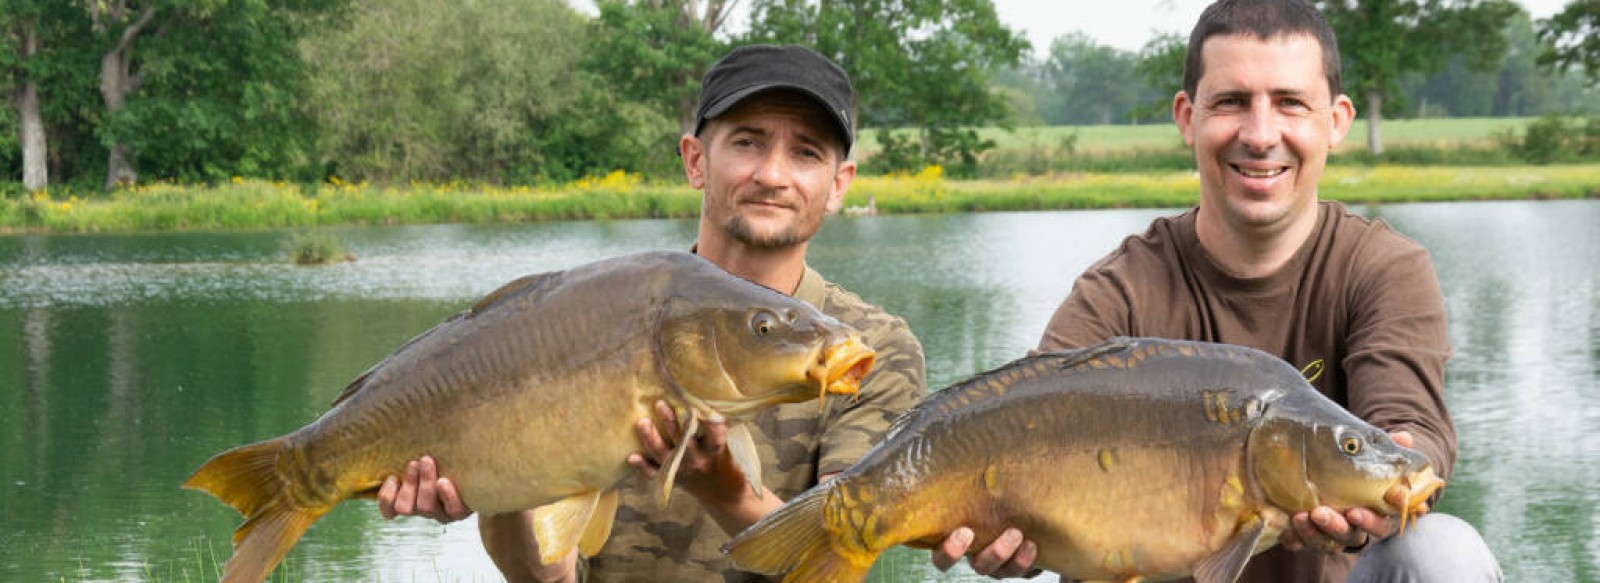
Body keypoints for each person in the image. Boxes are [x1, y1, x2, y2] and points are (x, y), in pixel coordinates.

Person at [374, 44, 1035, 581]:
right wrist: (494, 490)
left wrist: (722, 487)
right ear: (696, 159)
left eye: (806, 152)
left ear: (839, 184)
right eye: (746, 142)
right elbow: (546, 577)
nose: (773, 173)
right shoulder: (594, 313)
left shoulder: (873, 351)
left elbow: (836, 556)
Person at [945, 0, 1501, 582]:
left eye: (1290, 102)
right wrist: (1007, 531)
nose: (1261, 136)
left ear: (1335, 121)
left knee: (1441, 551)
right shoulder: (1118, 291)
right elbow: (1014, 428)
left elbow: (1412, 431)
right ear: (1188, 116)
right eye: (1232, 102)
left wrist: (1388, 481)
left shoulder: (1383, 268)